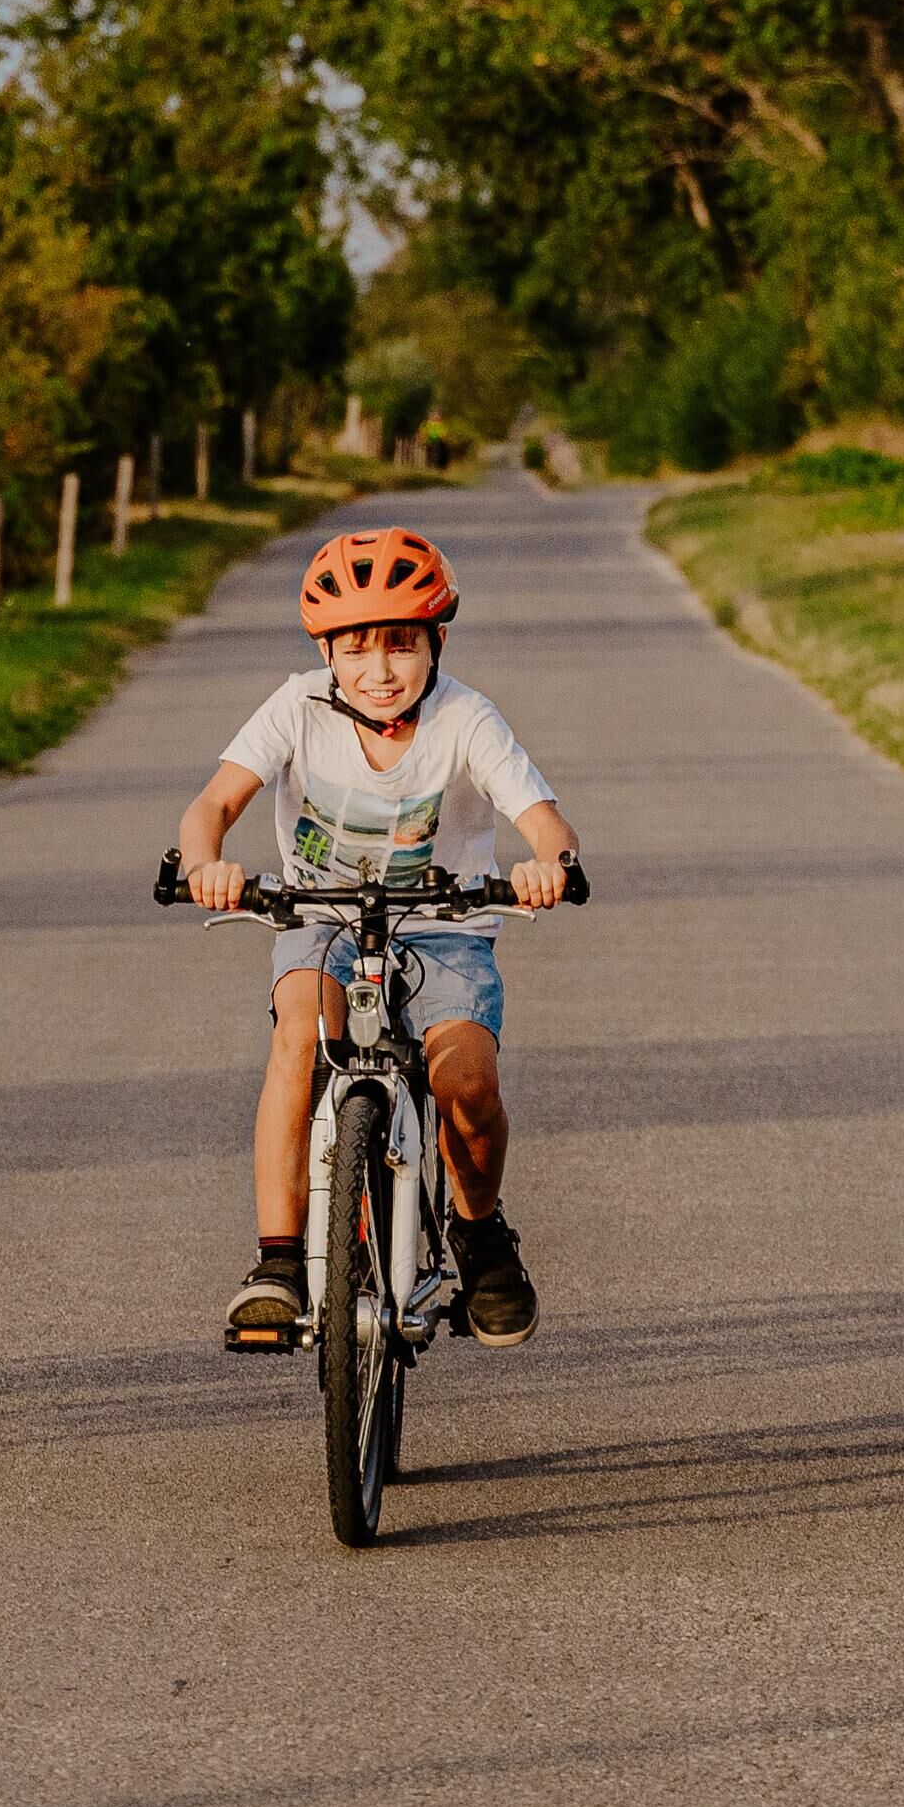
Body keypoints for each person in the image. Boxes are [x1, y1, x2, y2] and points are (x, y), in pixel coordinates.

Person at [173, 527, 585, 1352]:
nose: (381, 669)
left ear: (436, 641)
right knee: (301, 1037)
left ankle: (479, 1231)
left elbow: (541, 818)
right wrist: (204, 861)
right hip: (319, 917)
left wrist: (551, 861)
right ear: (326, 651)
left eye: (402, 644)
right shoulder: (295, 708)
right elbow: (211, 805)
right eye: (356, 648)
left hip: (444, 924)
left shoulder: (467, 718)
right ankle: (280, 1262)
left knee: (467, 1082)